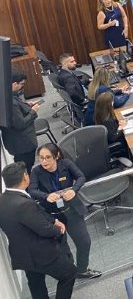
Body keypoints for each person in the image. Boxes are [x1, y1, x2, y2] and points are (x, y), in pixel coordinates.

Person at [0, 163, 77, 299]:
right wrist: (57, 229)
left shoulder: (3, 200)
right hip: (41, 254)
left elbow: (31, 218)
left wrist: (53, 220)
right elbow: (45, 230)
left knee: (36, 284)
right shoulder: (24, 204)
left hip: (22, 254)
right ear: (25, 177)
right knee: (69, 273)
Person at [28, 144, 100, 279]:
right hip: (52, 216)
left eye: (48, 157)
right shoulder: (36, 172)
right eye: (41, 158)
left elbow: (81, 177)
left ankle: (82, 270)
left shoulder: (66, 164)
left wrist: (74, 189)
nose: (44, 161)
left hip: (71, 209)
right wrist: (46, 196)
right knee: (62, 248)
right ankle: (69, 272)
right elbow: (32, 190)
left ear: (56, 156)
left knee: (84, 242)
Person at [2, 69, 41, 172]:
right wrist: (33, 111)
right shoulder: (9, 102)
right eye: (21, 84)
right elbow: (20, 124)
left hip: (16, 141)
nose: (22, 87)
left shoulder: (6, 94)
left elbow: (16, 110)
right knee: (25, 168)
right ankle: (26, 187)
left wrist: (26, 106)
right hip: (22, 143)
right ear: (14, 84)